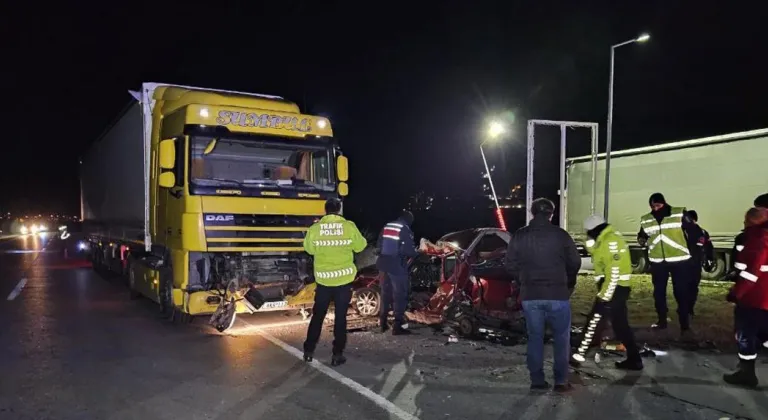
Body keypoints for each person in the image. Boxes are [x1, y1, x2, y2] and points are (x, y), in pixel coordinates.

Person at [505, 198, 581, 392]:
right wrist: (568, 280)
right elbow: (575, 262)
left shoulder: (520, 236)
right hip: (557, 294)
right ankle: (561, 381)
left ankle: (537, 380)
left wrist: (522, 279)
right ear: (551, 214)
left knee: (535, 337)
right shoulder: (561, 235)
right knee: (562, 338)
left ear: (532, 213)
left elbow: (510, 264)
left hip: (530, 295)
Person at [572, 214, 643, 370]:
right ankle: (635, 359)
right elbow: (597, 254)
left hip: (614, 287)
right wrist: (590, 243)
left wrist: (605, 295)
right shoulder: (605, 238)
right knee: (620, 326)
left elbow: (614, 272)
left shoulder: (610, 241)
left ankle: (578, 355)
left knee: (594, 321)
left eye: (588, 232)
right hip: (615, 288)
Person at [302, 198, 367, 366]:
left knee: (318, 316)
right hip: (343, 281)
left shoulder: (315, 229)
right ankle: (337, 354)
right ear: (339, 210)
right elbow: (360, 246)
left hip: (324, 281)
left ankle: (308, 351)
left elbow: (309, 249)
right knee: (340, 318)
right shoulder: (349, 226)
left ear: (325, 210)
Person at [637, 192, 697, 334]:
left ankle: (684, 324)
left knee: (681, 292)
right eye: (653, 206)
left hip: (679, 261)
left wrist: (694, 253)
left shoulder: (679, 213)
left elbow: (693, 232)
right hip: (658, 262)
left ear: (664, 203)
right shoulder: (646, 219)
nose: (656, 209)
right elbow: (642, 235)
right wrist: (641, 240)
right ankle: (662, 321)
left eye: (659, 205)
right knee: (658, 293)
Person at [723, 207, 768, 388]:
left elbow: (751, 273)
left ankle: (747, 374)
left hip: (753, 298)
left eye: (745, 221)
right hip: (764, 299)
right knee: (764, 334)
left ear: (751, 222)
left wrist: (736, 293)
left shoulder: (758, 240)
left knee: (745, 335)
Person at [376, 210, 420, 335]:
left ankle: (383, 323)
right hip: (396, 266)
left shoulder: (387, 225)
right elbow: (408, 250)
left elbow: (379, 245)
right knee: (400, 295)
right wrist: (418, 252)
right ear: (409, 220)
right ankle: (397, 326)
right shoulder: (405, 229)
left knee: (385, 294)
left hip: (383, 264)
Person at [685, 210, 715, 316]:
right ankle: (685, 308)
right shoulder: (683, 232)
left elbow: (709, 247)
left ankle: (689, 308)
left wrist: (709, 259)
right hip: (684, 264)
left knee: (693, 287)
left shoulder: (702, 232)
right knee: (684, 287)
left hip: (694, 264)